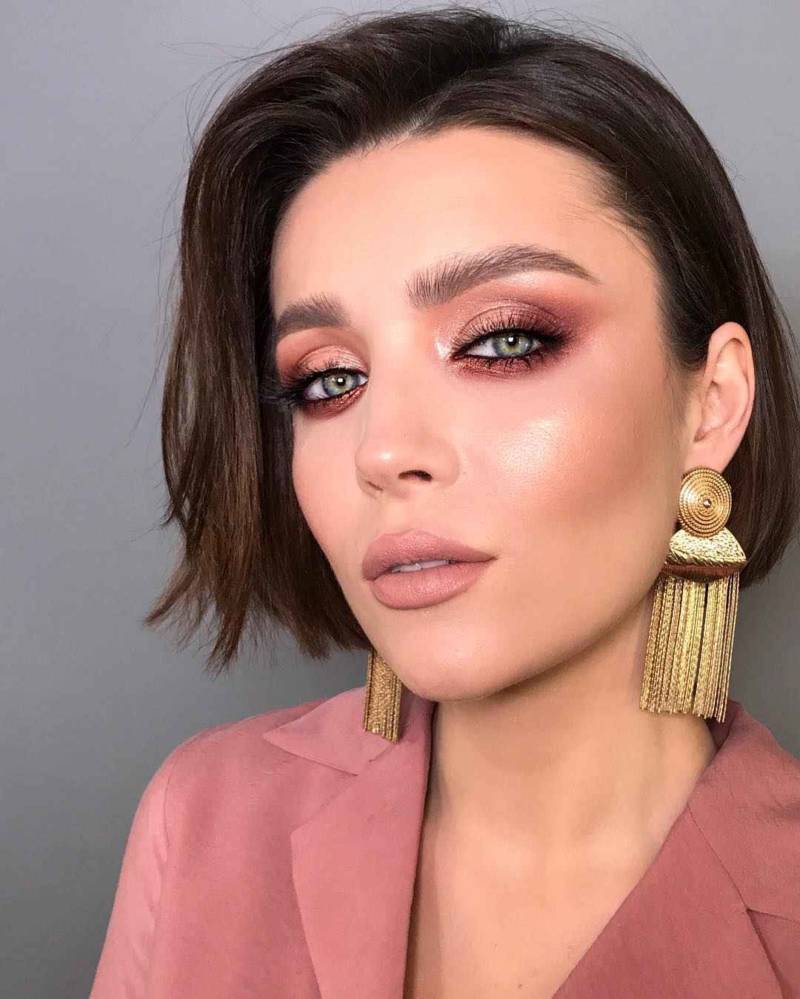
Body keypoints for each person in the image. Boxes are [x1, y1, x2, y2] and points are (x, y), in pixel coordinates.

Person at [90, 7, 800, 997]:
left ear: (710, 403)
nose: (383, 450)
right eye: (329, 379)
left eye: (504, 340)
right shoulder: (204, 817)